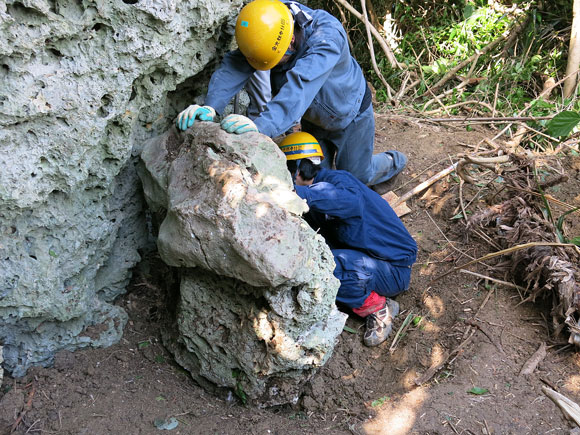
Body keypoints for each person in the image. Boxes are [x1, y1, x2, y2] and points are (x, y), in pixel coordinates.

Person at [176, 0, 407, 187]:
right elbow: (237, 65)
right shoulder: (268, 23)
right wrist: (211, 107)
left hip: (351, 114)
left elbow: (300, 86)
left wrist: (261, 126)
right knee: (317, 177)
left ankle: (394, 160)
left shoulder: (326, 37)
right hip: (313, 117)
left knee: (357, 176)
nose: (274, 68)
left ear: (292, 42)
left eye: (276, 63)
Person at [279, 132, 417, 346]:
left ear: (297, 168)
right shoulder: (316, 192)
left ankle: (379, 307)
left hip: (393, 269)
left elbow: (346, 201)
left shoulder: (339, 184)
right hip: (368, 259)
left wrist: (296, 194)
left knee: (328, 267)